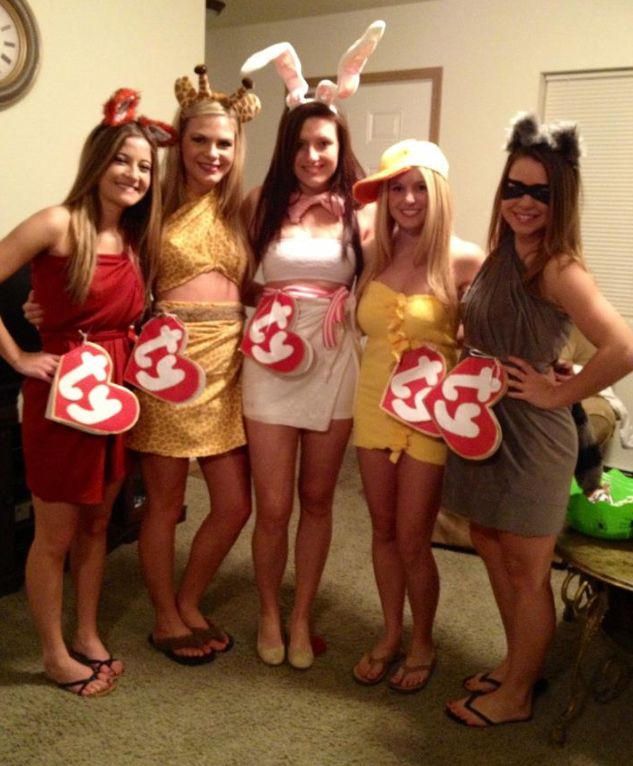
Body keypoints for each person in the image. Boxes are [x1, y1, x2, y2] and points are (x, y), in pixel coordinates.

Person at [442, 113, 633, 727]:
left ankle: (517, 695)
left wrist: (562, 393)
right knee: (489, 544)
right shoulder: (501, 252)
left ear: (561, 200)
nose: (523, 203)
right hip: (485, 426)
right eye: (514, 188)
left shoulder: (557, 266)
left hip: (531, 438)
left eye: (539, 193)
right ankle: (515, 665)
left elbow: (623, 346)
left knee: (527, 572)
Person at [0, 90, 164, 696]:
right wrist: (19, 353)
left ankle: (88, 634)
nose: (134, 174)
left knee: (99, 523)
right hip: (62, 398)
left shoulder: (137, 239)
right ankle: (50, 653)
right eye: (123, 159)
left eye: (145, 166)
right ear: (98, 161)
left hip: (116, 393)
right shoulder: (56, 223)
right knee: (55, 535)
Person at [239, 24, 382, 670]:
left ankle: (301, 618)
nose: (312, 155)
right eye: (301, 144)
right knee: (272, 504)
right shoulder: (259, 204)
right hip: (269, 360)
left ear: (339, 143)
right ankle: (269, 611)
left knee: (319, 499)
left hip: (334, 358)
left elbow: (398, 269)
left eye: (322, 143)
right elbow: (231, 274)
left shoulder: (364, 209)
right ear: (288, 148)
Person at [125, 65, 261, 665]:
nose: (212, 153)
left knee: (235, 504)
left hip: (229, 365)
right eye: (200, 140)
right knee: (166, 501)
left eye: (224, 143)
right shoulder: (150, 203)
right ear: (180, 141)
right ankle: (164, 614)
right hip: (170, 366)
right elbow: (100, 253)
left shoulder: (240, 210)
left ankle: (187, 597)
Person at [349, 140, 483, 691]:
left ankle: (422, 639)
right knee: (381, 531)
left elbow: (498, 331)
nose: (407, 199)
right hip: (371, 406)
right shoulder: (374, 252)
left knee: (411, 538)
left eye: (418, 186)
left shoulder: (466, 259)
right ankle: (389, 632)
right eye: (396, 188)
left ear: (440, 192)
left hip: (429, 417)